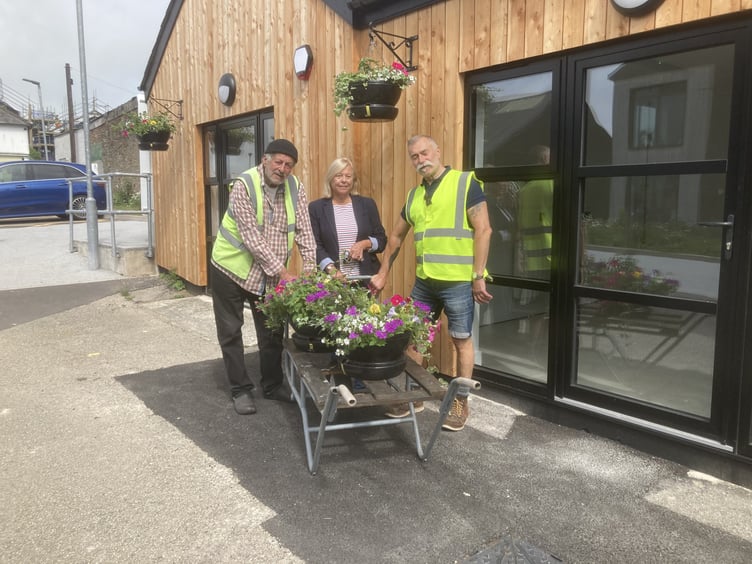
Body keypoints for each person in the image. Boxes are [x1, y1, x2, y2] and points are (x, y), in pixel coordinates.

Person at [369, 135, 493, 431]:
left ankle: (461, 401)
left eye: (425, 153)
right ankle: (413, 396)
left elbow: (484, 230)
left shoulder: (464, 184)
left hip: (459, 282)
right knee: (415, 338)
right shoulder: (414, 196)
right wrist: (384, 270)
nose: (420, 159)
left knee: (460, 340)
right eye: (414, 156)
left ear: (438, 151)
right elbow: (397, 236)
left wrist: (478, 276)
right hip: (426, 282)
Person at [210, 139, 317, 415]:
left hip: (267, 276)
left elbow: (304, 230)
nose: (282, 169)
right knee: (231, 331)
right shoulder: (243, 186)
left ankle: (272, 385)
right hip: (231, 269)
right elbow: (252, 239)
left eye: (288, 165)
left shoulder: (296, 188)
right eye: (278, 162)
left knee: (271, 331)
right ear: (265, 160)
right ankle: (240, 390)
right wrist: (283, 273)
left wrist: (309, 271)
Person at [308, 157, 387, 282]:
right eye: (338, 176)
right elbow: (314, 246)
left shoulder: (367, 204)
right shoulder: (316, 208)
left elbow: (382, 240)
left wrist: (364, 244)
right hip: (331, 282)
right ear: (330, 179)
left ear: (353, 180)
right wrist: (331, 269)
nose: (344, 180)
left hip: (365, 279)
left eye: (348, 176)